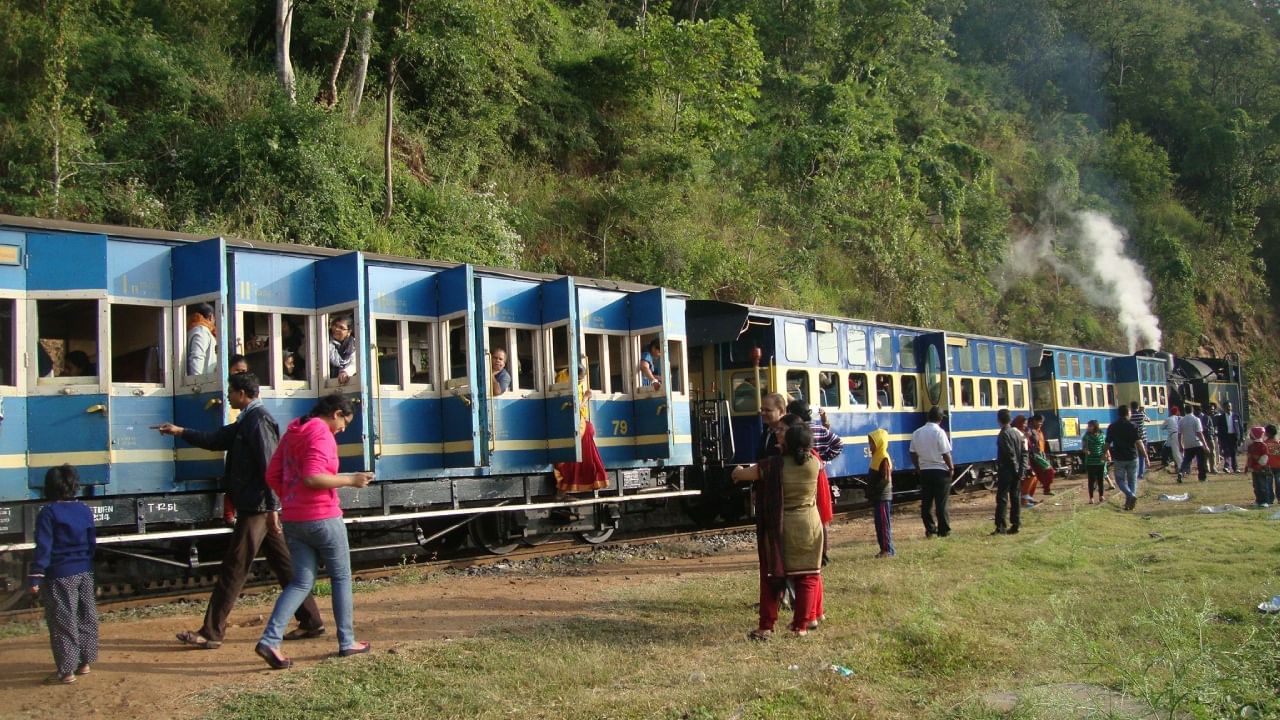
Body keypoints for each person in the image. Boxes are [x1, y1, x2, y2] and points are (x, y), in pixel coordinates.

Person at [155, 373, 324, 650]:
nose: (228, 397)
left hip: (257, 507)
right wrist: (180, 431)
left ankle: (212, 631)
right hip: (258, 505)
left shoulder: (258, 422)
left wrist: (272, 507)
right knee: (285, 566)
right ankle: (311, 621)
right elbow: (216, 439)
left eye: (231, 392)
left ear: (243, 394)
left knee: (235, 567)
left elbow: (270, 467)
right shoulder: (247, 420)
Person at [255, 394, 374, 669]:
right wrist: (351, 480)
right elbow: (312, 476)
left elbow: (272, 475)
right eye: (345, 421)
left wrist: (292, 499)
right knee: (341, 577)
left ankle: (270, 640)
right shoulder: (321, 434)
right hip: (323, 516)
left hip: (294, 518)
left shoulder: (294, 430)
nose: (344, 428)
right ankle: (347, 642)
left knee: (300, 583)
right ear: (335, 413)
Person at [732, 422, 823, 640]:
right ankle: (801, 626)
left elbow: (745, 474)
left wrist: (736, 471)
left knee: (773, 577)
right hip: (810, 525)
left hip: (780, 528)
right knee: (807, 577)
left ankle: (766, 626)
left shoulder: (773, 465)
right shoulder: (815, 464)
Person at [29, 464, 97, 685]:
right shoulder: (84, 509)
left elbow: (44, 547)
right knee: (86, 616)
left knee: (63, 620)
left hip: (59, 574)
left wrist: (36, 576)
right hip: (84, 571)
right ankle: (85, 662)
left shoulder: (48, 513)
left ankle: (66, 671)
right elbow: (91, 542)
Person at [553, 355, 608, 497]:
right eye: (578, 379)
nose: (580, 381)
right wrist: (585, 398)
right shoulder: (563, 379)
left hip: (581, 420)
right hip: (571, 421)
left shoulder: (579, 379)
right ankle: (569, 482)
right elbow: (573, 408)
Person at [910, 406, 954, 538]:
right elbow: (946, 453)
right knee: (941, 503)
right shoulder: (939, 432)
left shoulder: (917, 432)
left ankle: (930, 529)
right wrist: (951, 467)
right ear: (940, 419)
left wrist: (918, 467)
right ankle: (943, 530)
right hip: (940, 471)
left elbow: (912, 452)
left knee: (926, 503)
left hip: (925, 471)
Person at [1106, 405, 1147, 511]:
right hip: (1133, 457)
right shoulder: (1133, 425)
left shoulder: (1112, 426)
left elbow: (1107, 443)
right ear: (1128, 413)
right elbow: (1139, 442)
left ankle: (1129, 496)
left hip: (1119, 458)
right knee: (1132, 480)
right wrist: (1146, 456)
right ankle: (1130, 498)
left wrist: (1104, 454)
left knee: (1119, 480)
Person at [993, 409, 1026, 535]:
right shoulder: (1017, 433)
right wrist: (1021, 470)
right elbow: (1024, 453)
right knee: (1015, 497)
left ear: (999, 420)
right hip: (1016, 471)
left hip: (1007, 470)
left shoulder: (1003, 434)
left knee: (1002, 498)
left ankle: (1001, 526)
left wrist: (1015, 468)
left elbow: (1009, 453)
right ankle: (1016, 524)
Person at [867, 428, 894, 557]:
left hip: (882, 497)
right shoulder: (876, 457)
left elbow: (886, 479)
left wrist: (875, 492)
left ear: (879, 443)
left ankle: (887, 550)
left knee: (883, 524)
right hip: (878, 496)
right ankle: (884, 548)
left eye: (872, 443)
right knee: (879, 524)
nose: (870, 446)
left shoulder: (883, 457)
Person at [1025, 414, 1054, 497]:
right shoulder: (1031, 431)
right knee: (1049, 471)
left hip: (1040, 454)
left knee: (1037, 476)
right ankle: (1029, 497)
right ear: (1034, 421)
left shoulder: (1039, 431)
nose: (1040, 424)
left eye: (1041, 423)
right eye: (1039, 422)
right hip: (1034, 455)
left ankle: (1044, 490)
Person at [1179, 404, 1209, 483]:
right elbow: (1199, 433)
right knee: (1201, 461)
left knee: (1186, 460)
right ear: (1192, 411)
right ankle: (1202, 477)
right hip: (1197, 443)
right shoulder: (1196, 419)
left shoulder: (1181, 420)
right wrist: (1205, 445)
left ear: (1185, 411)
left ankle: (1181, 472)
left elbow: (1179, 434)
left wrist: (1180, 444)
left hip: (1187, 443)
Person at [186, 303, 218, 376]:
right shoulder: (202, 330)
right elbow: (197, 357)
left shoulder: (193, 329)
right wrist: (197, 382)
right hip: (201, 384)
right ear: (211, 317)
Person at [1081, 419, 1109, 504]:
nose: (1088, 428)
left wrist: (1107, 455)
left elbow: (1105, 446)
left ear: (1095, 427)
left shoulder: (1102, 435)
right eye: (1088, 426)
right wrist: (1086, 451)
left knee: (1100, 479)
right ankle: (1091, 498)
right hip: (1090, 461)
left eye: (1090, 426)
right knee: (1091, 480)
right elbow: (1083, 447)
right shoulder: (1086, 436)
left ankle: (1101, 495)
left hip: (1100, 460)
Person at [1012, 415, 1037, 508]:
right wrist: (1025, 437)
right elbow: (1020, 445)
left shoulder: (1022, 432)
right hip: (1020, 459)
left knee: (1032, 477)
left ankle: (1027, 498)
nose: (1025, 425)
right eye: (1023, 423)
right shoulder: (1015, 432)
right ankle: (1024, 499)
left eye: (1026, 423)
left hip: (1025, 459)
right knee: (1030, 476)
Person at [756, 392, 788, 460]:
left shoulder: (788, 430)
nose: (763, 413)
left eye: (768, 410)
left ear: (781, 411)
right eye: (762, 410)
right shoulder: (766, 429)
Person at [1246, 426, 1271, 507]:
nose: (1250, 435)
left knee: (1262, 485)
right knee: (1256, 486)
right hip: (1254, 470)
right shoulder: (1250, 446)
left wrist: (1258, 465)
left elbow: (1265, 458)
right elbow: (1249, 457)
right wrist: (1248, 466)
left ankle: (1264, 501)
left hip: (1262, 469)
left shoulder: (1263, 446)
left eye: (1251, 434)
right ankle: (1258, 500)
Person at [327, 316, 357, 385]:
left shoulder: (354, 344)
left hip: (345, 384)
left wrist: (345, 372)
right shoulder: (323, 340)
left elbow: (354, 363)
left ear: (349, 332)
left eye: (341, 328)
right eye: (335, 326)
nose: (336, 329)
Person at [1216, 401, 1242, 473]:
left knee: (1233, 452)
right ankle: (1226, 467)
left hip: (1234, 436)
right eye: (1227, 406)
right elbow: (1219, 429)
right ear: (1224, 408)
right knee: (1226, 452)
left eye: (1230, 406)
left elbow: (1240, 427)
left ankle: (1235, 468)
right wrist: (1220, 439)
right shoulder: (1221, 417)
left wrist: (1241, 437)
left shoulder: (1236, 416)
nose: (1228, 408)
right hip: (1225, 437)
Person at [1129, 401, 1148, 483]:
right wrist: (1143, 411)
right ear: (1137, 407)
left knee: (1135, 457)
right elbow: (1148, 420)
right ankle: (1141, 474)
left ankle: (1135, 473)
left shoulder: (1130, 416)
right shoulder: (1141, 415)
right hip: (1142, 438)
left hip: (1132, 438)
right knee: (1142, 456)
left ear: (1131, 407)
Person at [1200, 405, 1220, 474]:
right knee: (1212, 453)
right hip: (1209, 437)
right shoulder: (1206, 417)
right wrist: (1211, 431)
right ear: (1207, 410)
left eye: (1213, 409)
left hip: (1208, 437)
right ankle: (1213, 468)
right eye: (1211, 409)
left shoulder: (1208, 417)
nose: (1212, 411)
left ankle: (1206, 468)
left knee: (1207, 454)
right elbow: (1204, 427)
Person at [1163, 406, 1182, 474]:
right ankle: (1182, 467)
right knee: (1181, 451)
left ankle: (1180, 468)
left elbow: (1162, 427)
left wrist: (1168, 427)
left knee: (1175, 453)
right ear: (1177, 412)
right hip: (1180, 435)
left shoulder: (1168, 419)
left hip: (1173, 435)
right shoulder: (1180, 418)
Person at [1266, 425, 1280, 501]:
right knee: (1278, 483)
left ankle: (1270, 498)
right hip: (1278, 466)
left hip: (1269, 466)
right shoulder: (1278, 443)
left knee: (1268, 483)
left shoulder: (1264, 443)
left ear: (1267, 433)